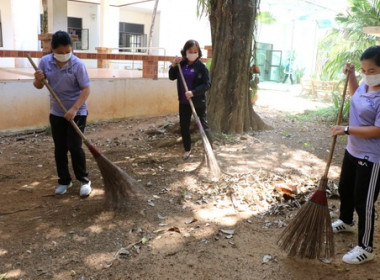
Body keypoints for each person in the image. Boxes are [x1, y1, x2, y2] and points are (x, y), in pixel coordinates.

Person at [331, 45, 380, 264]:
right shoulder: (366, 87)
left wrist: (347, 129)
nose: (367, 75)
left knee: (364, 202)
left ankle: (366, 247)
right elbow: (356, 96)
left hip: (371, 158)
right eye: (363, 70)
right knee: (345, 189)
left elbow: (378, 130)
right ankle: (346, 221)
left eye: (372, 71)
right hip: (353, 150)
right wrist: (352, 76)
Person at [33, 30, 92, 197]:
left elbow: (86, 89)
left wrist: (74, 109)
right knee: (60, 148)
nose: (64, 55)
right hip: (57, 112)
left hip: (77, 112)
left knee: (75, 146)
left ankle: (84, 180)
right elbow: (38, 86)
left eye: (67, 51)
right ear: (52, 49)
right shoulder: (45, 62)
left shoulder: (78, 64)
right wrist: (38, 79)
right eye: (60, 52)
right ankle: (64, 180)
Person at [169, 39, 212, 160]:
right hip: (184, 102)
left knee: (203, 125)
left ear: (198, 52)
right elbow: (171, 77)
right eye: (190, 51)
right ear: (185, 51)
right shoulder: (181, 64)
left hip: (198, 102)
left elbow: (207, 84)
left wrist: (193, 92)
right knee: (184, 126)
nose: (192, 53)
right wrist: (173, 65)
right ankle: (187, 149)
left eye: (195, 51)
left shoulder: (201, 67)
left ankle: (209, 149)